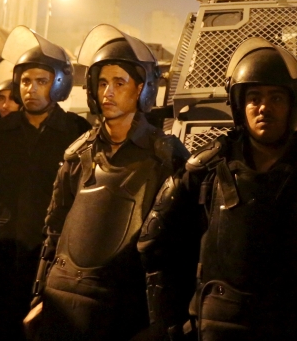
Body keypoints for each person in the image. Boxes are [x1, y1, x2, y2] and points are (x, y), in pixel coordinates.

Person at [138, 38, 297, 341]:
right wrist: (171, 324)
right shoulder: (205, 168)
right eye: (254, 97)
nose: (263, 108)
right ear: (239, 104)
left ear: (292, 105)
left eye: (276, 98)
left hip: (290, 326)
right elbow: (155, 243)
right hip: (215, 327)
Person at [26, 25, 186, 341]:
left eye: (119, 82)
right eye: (102, 83)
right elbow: (54, 230)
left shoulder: (165, 156)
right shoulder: (78, 154)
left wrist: (166, 319)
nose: (108, 93)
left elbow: (180, 246)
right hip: (64, 304)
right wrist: (39, 294)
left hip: (127, 312)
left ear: (142, 88)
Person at [0, 27, 91, 341]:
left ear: (58, 84)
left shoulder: (78, 133)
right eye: (26, 81)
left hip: (56, 266)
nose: (31, 89)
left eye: (41, 81)